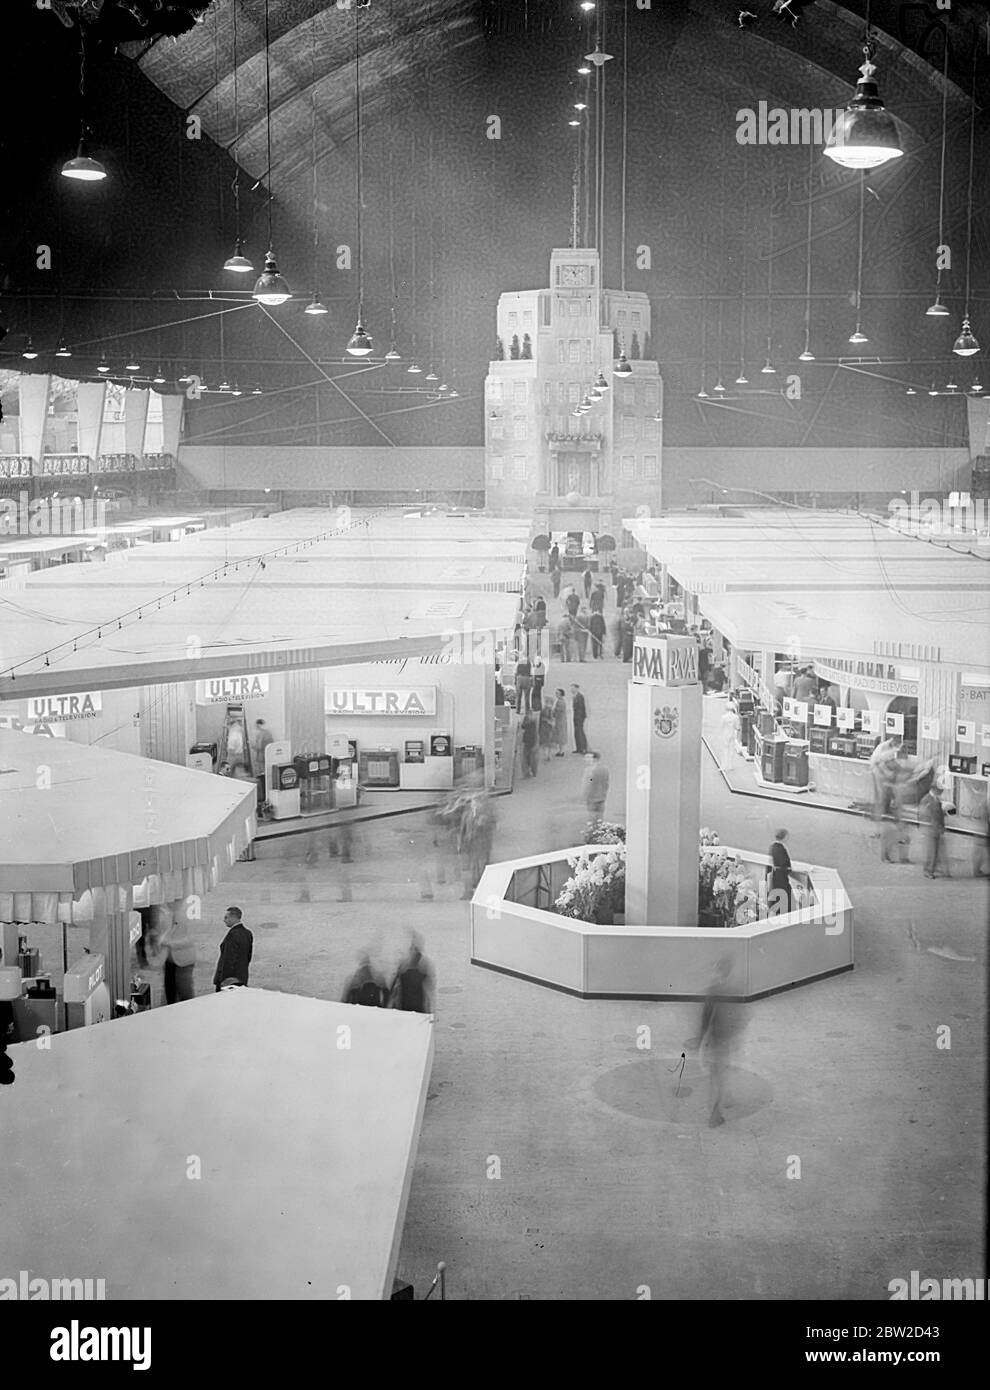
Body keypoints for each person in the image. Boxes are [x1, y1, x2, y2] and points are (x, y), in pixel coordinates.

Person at [685, 959, 747, 1128]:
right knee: (721, 1071)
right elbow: (741, 1015)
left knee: (716, 1074)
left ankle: (716, 1111)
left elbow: (706, 1017)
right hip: (727, 1037)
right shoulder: (735, 989)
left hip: (717, 1038)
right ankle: (720, 1105)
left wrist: (700, 1038)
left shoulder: (714, 990)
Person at [390, 936, 435, 1014]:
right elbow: (428, 991)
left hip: (405, 1004)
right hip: (418, 1005)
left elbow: (395, 990)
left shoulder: (403, 974)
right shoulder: (421, 975)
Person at [212, 906, 253, 991]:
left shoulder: (232, 935)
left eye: (226, 917)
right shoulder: (248, 933)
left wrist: (223, 981)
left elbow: (228, 960)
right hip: (242, 977)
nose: (224, 920)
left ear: (233, 918)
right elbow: (248, 957)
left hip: (229, 981)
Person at [161, 914, 196, 1004]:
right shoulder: (167, 914)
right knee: (170, 993)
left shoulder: (187, 916)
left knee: (185, 993)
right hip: (169, 960)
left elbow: (191, 938)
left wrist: (171, 944)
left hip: (184, 961)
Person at [918, 789, 948, 879]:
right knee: (931, 851)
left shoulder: (935, 799)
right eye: (940, 791)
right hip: (929, 829)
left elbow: (938, 814)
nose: (941, 793)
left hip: (935, 829)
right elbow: (924, 815)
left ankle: (933, 868)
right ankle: (928, 871)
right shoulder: (926, 800)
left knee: (935, 850)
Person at [767, 829, 793, 914]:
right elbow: (783, 863)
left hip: (776, 875)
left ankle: (778, 911)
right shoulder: (780, 848)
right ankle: (784, 912)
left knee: (778, 893)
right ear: (784, 837)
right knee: (784, 893)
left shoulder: (773, 846)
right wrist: (789, 869)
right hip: (781, 876)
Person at [582, 751, 610, 822]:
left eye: (588, 757)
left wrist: (584, 795)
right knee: (600, 817)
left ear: (594, 759)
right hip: (602, 796)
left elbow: (589, 782)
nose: (585, 759)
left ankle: (593, 831)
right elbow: (606, 783)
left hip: (592, 797)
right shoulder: (604, 769)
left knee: (592, 817)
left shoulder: (589, 770)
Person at [719, 706, 740, 770]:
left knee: (725, 750)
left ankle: (723, 766)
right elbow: (738, 727)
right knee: (731, 751)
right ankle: (730, 766)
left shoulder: (723, 717)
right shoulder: (736, 717)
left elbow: (721, 726)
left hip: (725, 734)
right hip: (732, 734)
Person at [520, 710, 540, 778]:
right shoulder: (535, 720)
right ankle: (534, 771)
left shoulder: (526, 719)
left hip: (527, 740)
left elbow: (523, 726)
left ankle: (526, 772)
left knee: (526, 757)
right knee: (533, 757)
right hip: (534, 740)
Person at [570, 683, 588, 753]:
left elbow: (581, 708)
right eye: (571, 688)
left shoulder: (580, 696)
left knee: (580, 732)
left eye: (573, 688)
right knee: (576, 732)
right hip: (576, 717)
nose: (571, 690)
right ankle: (578, 748)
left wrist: (580, 718)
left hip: (579, 717)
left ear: (577, 688)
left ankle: (583, 748)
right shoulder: (575, 696)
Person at [552, 687, 569, 757]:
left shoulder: (560, 702)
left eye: (557, 693)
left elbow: (557, 711)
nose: (556, 695)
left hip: (560, 721)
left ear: (561, 694)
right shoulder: (560, 701)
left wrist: (553, 714)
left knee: (560, 735)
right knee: (560, 735)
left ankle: (561, 751)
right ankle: (560, 750)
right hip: (560, 720)